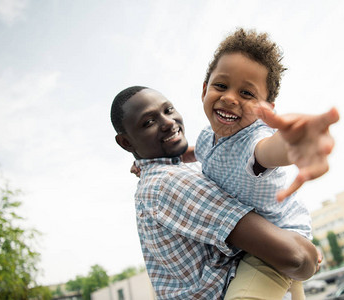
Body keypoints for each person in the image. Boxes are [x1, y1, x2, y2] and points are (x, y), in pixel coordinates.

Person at [111, 86, 320, 300]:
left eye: (168, 109)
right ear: (126, 142)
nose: (168, 122)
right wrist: (308, 258)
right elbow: (295, 257)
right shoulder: (169, 182)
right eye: (148, 122)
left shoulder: (163, 177)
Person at [195, 28, 339, 299]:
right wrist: (165, 158)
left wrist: (294, 145)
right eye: (221, 86)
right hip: (253, 246)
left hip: (277, 244)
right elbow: (198, 151)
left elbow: (268, 152)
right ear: (204, 89)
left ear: (267, 110)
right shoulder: (205, 137)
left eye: (247, 93)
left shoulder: (256, 141)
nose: (229, 98)